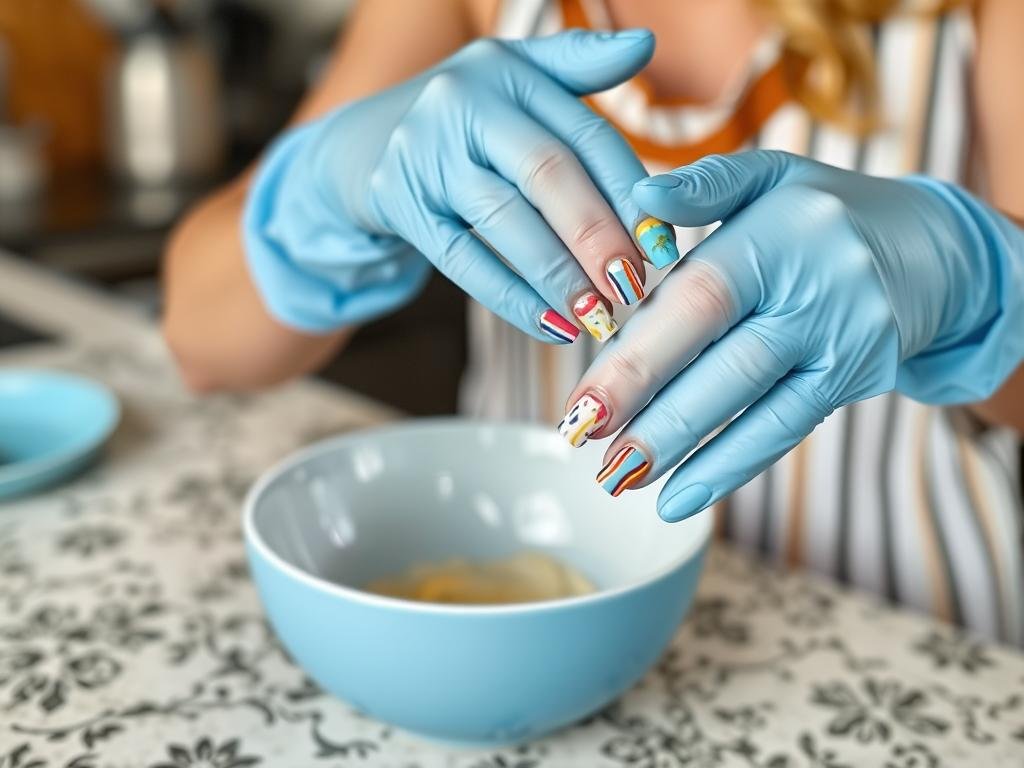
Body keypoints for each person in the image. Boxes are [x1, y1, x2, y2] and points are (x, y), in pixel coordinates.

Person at [162, 0, 1024, 644]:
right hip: (533, 634)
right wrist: (331, 184)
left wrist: (971, 280)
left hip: (906, 632)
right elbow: (197, 341)